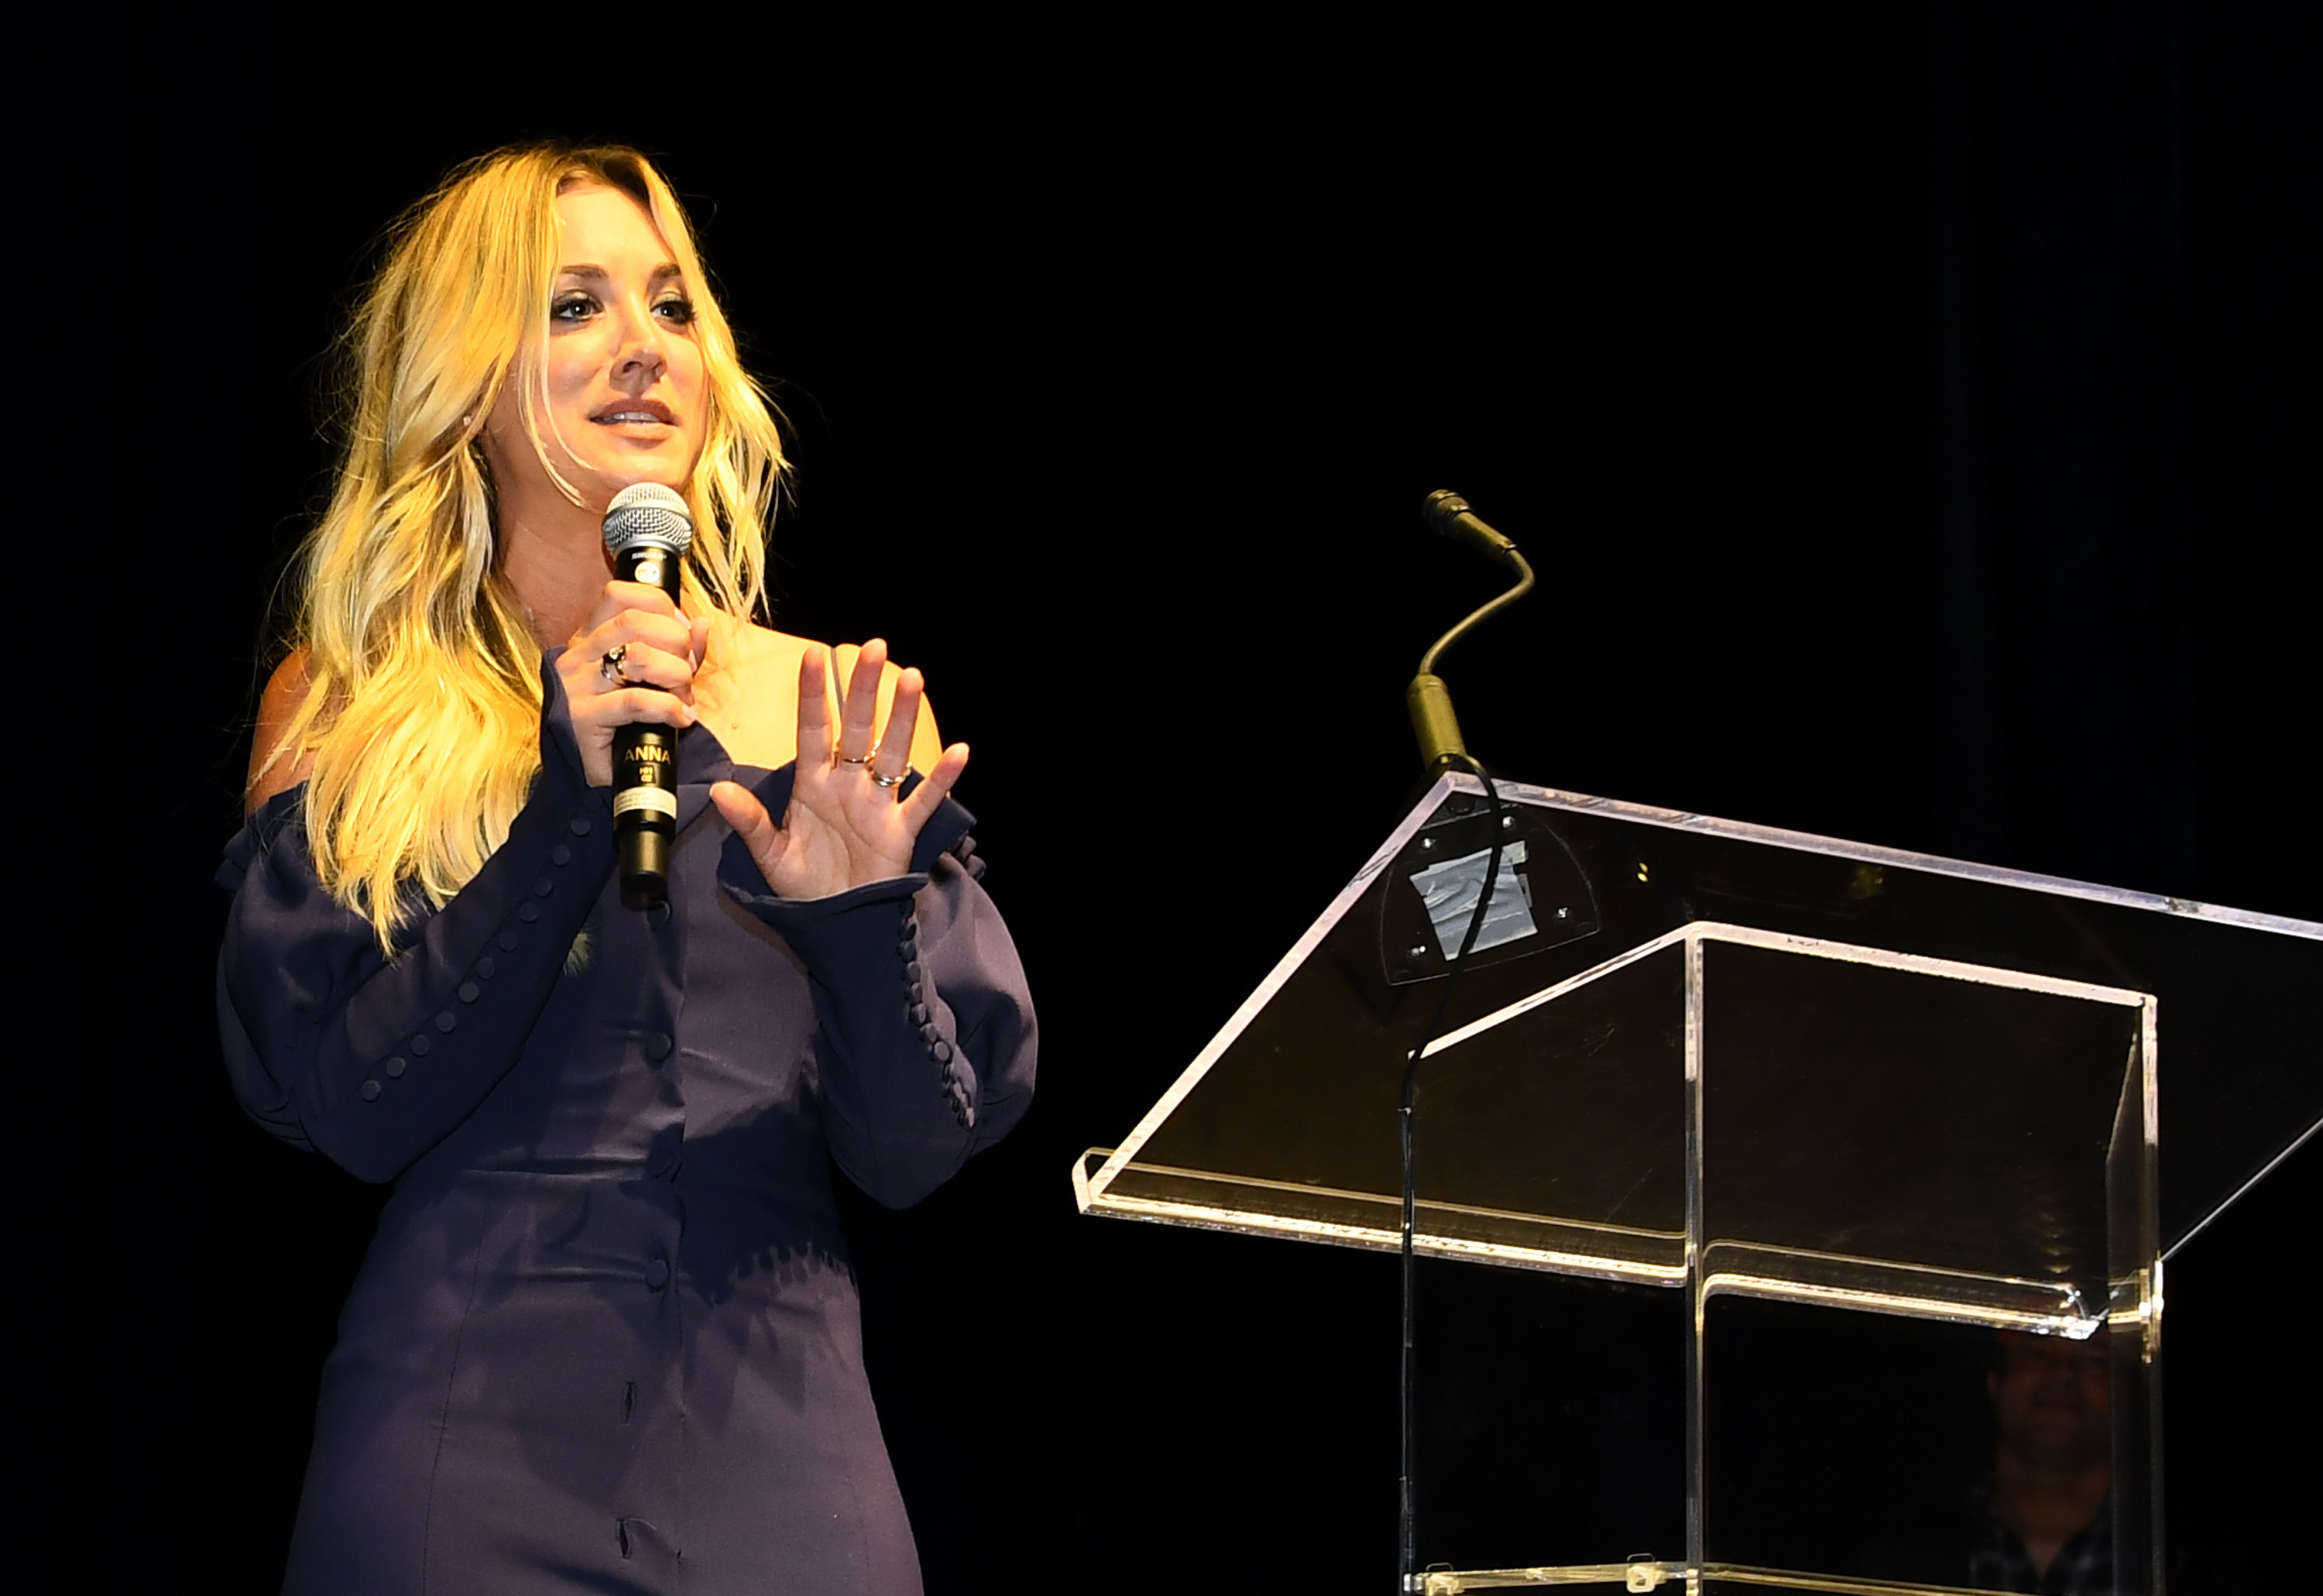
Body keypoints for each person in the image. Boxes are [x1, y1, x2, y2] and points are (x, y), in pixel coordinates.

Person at [217, 142, 1037, 1594]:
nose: (643, 347)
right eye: (575, 306)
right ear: (465, 379)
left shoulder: (828, 703)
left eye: (671, 306)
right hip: (458, 1466)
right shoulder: (352, 704)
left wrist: (858, 921)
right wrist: (559, 814)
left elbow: (916, 1156)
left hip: (788, 1468)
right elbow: (343, 1112)